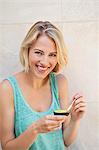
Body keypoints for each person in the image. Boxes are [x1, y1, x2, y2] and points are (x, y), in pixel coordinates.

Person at [0, 21, 86, 150]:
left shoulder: (60, 82)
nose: (45, 62)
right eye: (39, 52)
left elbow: (66, 141)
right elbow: (7, 147)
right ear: (27, 50)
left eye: (52, 55)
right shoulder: (8, 88)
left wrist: (74, 120)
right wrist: (35, 129)